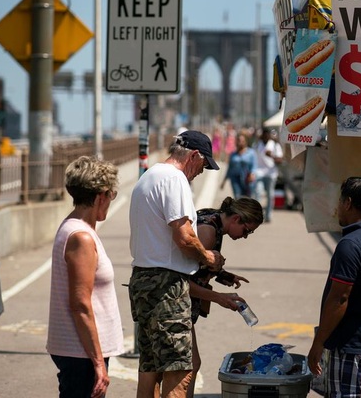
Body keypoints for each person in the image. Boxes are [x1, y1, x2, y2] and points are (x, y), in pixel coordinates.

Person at [128, 130, 225, 398]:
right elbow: (184, 236)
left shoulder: (149, 176)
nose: (201, 172)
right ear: (194, 155)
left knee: (151, 368)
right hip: (166, 286)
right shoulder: (175, 179)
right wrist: (208, 258)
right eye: (204, 165)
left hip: (143, 281)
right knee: (179, 370)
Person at [307, 177, 361, 398]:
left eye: (339, 201)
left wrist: (319, 343)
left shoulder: (351, 245)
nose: (337, 208)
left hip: (351, 350)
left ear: (348, 203)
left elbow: (340, 299)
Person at [46, 156, 124, 398]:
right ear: (102, 195)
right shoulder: (81, 237)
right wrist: (99, 363)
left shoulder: (75, 227)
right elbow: (80, 305)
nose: (111, 201)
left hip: (78, 350)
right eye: (112, 195)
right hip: (81, 353)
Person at [187, 196, 264, 397]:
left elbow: (201, 266)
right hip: (177, 305)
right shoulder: (208, 232)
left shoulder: (213, 219)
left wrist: (224, 275)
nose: (246, 236)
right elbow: (183, 281)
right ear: (236, 218)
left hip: (182, 304)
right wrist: (219, 297)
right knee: (188, 366)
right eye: (247, 230)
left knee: (177, 366)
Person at [252, 128, 283, 222]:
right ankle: (258, 215)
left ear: (269, 135)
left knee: (270, 195)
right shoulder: (257, 145)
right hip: (259, 173)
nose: (265, 137)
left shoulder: (275, 145)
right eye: (263, 135)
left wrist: (271, 156)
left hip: (271, 174)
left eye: (267, 135)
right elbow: (253, 159)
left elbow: (280, 160)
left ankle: (268, 214)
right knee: (258, 194)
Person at [220, 133, 257, 199]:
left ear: (246, 142)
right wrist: (224, 181)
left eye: (242, 141)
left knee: (247, 198)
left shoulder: (251, 153)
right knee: (237, 196)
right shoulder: (233, 154)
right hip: (235, 179)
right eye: (239, 140)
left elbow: (254, 165)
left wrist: (252, 174)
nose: (240, 143)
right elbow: (229, 168)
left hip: (246, 179)